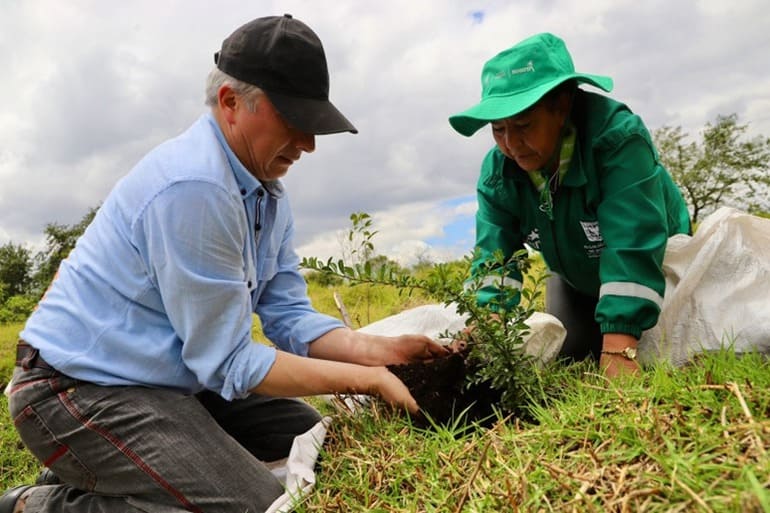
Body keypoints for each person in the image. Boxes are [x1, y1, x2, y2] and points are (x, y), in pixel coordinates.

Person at [2, 14, 447, 513]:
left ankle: (117, 467)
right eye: (294, 121)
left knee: (322, 446)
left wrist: (379, 352)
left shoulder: (265, 195)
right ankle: (40, 503)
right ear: (230, 103)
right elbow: (230, 362)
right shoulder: (195, 187)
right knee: (254, 504)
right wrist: (364, 380)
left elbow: (290, 317)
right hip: (77, 391)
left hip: (173, 380)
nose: (308, 144)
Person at [448, 33, 690, 378]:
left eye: (523, 126)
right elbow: (494, 256)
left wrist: (620, 349)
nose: (512, 144)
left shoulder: (616, 140)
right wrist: (488, 321)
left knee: (668, 353)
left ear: (561, 107)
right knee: (573, 356)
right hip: (576, 276)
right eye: (498, 129)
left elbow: (633, 244)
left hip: (660, 267)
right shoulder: (499, 175)